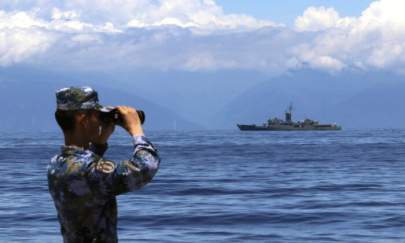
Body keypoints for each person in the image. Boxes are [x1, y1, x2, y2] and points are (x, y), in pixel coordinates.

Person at [47, 86, 160, 243]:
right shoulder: (89, 171)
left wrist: (99, 145)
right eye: (97, 115)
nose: (100, 121)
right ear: (83, 119)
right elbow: (146, 167)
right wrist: (136, 130)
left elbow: (86, 179)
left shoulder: (55, 164)